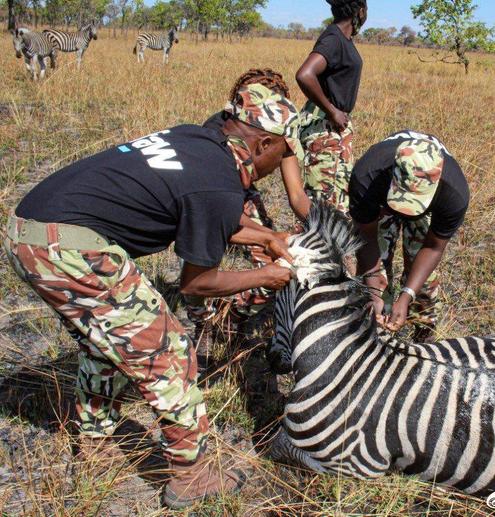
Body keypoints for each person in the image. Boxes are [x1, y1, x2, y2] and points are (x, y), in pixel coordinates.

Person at [3, 84, 302, 509]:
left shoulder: (198, 140)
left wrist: (268, 236)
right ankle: (192, 474)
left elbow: (208, 211)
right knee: (169, 350)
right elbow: (196, 284)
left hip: (29, 231)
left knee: (106, 346)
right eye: (285, 153)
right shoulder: (217, 185)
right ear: (265, 142)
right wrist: (266, 276)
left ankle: (94, 446)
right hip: (68, 247)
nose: (283, 162)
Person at [190, 69, 311, 347]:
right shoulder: (218, 129)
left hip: (244, 187)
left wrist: (320, 224)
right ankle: (203, 322)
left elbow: (296, 195)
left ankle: (234, 315)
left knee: (271, 261)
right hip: (212, 187)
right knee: (202, 257)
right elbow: (211, 204)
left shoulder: (281, 127)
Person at [350, 131, 470, 341]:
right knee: (373, 281)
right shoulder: (367, 177)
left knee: (423, 281)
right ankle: (376, 328)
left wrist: (407, 296)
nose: (405, 213)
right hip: (382, 202)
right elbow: (366, 238)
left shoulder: (454, 194)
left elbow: (433, 247)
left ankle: (424, 336)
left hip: (427, 208)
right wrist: (374, 293)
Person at [296, 0, 367, 213]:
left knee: (335, 198)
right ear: (360, 10)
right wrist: (332, 110)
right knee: (324, 203)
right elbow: (305, 75)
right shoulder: (334, 39)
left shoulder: (343, 38)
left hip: (332, 127)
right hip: (324, 127)